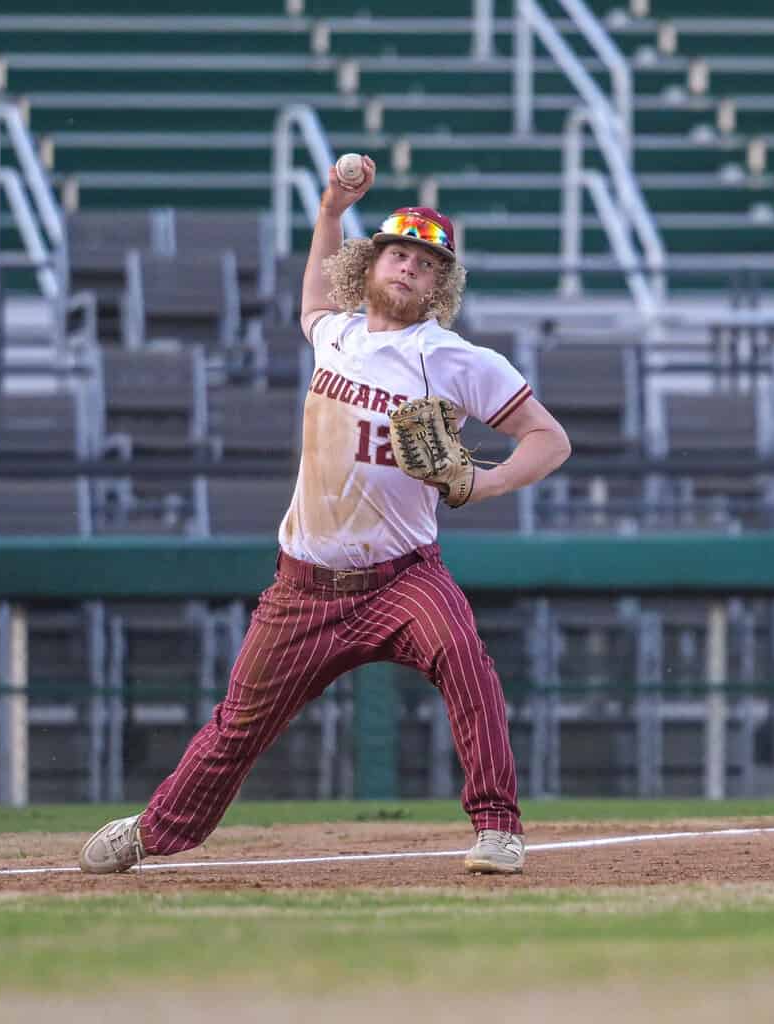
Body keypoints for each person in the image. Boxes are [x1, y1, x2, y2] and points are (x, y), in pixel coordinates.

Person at [80, 154, 571, 876]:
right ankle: (154, 832)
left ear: (441, 286)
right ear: (368, 266)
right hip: (303, 586)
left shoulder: (455, 358)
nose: (408, 268)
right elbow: (311, 302)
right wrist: (329, 214)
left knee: (467, 664)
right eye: (397, 253)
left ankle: (498, 829)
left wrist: (479, 482)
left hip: (402, 579)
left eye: (426, 264)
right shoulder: (334, 334)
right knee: (238, 727)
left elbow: (549, 439)